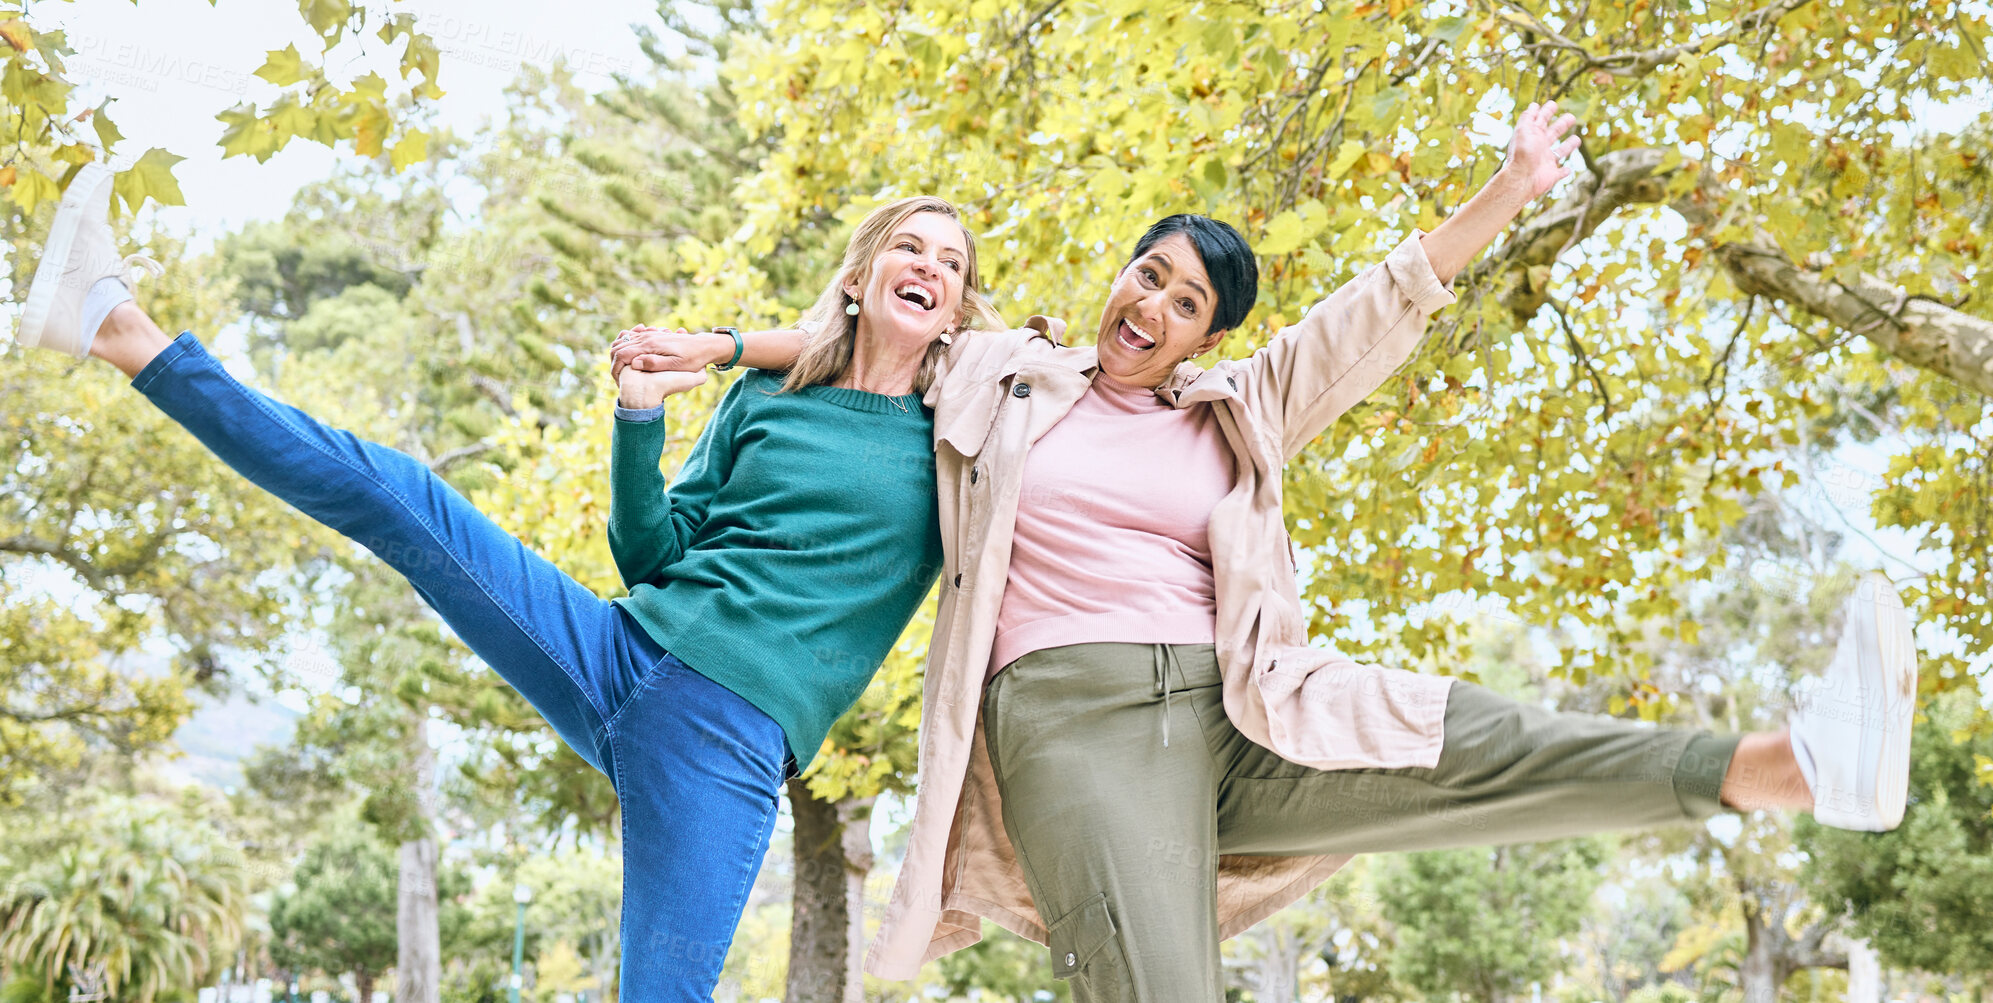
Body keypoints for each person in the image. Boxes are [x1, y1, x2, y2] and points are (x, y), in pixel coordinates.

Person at [612, 100, 1919, 999]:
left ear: (1200, 337)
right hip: (1074, 721)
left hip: (1247, 699)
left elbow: (1374, 311)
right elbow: (875, 331)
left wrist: (1510, 189)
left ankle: (1793, 763)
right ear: (1118, 276)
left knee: (1480, 740)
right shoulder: (1005, 374)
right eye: (1149, 275)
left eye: (1185, 301)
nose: (1153, 304)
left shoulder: (1235, 409)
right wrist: (721, 350)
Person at [8, 177, 1015, 999]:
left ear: (960, 309)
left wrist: (718, 340)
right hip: (618, 648)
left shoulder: (957, 440)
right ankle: (114, 326)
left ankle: (107, 319)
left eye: (951, 263)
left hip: (728, 736)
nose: (929, 266)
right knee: (397, 495)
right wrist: (638, 418)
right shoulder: (767, 399)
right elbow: (652, 553)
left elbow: (1049, 373)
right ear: (861, 273)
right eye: (910, 247)